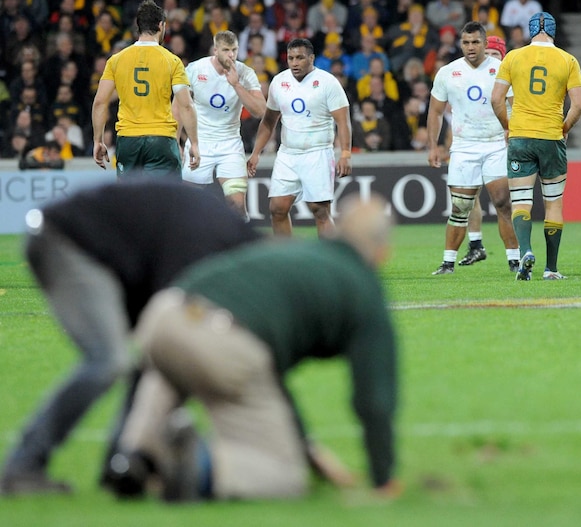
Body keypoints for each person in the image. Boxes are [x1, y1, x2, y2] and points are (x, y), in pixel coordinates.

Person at [108, 194, 400, 502]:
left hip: (165, 312)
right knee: (284, 473)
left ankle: (133, 458)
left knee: (172, 366)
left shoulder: (295, 250)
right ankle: (201, 466)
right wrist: (382, 479)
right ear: (382, 253)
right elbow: (375, 400)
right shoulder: (364, 290)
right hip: (223, 337)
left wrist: (304, 443)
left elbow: (272, 378)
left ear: (334, 232)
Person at [0, 180, 261, 496]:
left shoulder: (216, 232)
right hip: (66, 242)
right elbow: (167, 318)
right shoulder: (207, 239)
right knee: (108, 360)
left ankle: (120, 461)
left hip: (80, 245)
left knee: (140, 361)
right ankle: (22, 466)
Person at [491, 12, 581, 280]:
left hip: (520, 136)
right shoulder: (568, 60)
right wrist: (564, 128)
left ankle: (525, 253)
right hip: (551, 137)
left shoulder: (513, 57)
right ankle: (551, 269)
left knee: (521, 203)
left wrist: (508, 126)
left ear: (529, 31)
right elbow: (579, 105)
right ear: (554, 31)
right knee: (553, 203)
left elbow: (497, 99)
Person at [427, 23, 520, 276]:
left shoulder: (501, 70)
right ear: (461, 44)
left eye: (475, 42)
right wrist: (433, 145)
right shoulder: (448, 72)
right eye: (466, 43)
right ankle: (448, 263)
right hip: (464, 146)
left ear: (485, 43)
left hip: (495, 144)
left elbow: (515, 104)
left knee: (503, 203)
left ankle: (515, 260)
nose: (470, 47)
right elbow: (435, 111)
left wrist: (513, 130)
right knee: (459, 207)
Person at [247, 38, 352, 237]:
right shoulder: (279, 82)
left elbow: (343, 121)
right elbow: (269, 121)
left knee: (320, 210)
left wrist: (345, 153)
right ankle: (286, 263)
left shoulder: (327, 82)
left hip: (318, 152)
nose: (294, 63)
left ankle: (328, 264)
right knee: (277, 208)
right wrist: (255, 153)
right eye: (291, 58)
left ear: (311, 58)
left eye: (300, 58)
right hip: (287, 154)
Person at [92, 0, 200, 177]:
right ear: (161, 25)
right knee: (165, 201)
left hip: (128, 140)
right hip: (162, 140)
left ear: (138, 26)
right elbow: (186, 105)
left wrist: (98, 140)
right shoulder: (172, 61)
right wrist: (194, 143)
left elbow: (99, 103)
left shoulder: (116, 60)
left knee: (132, 202)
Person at [176, 30, 266, 219]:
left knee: (237, 205)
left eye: (234, 50)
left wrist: (236, 85)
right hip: (199, 143)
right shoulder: (195, 69)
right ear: (215, 50)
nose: (231, 55)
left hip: (230, 145)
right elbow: (179, 106)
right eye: (226, 50)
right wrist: (175, 141)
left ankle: (240, 246)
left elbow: (260, 111)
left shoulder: (245, 73)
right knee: (187, 204)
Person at [458, 35, 507, 266]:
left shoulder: (509, 76)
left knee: (503, 200)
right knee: (470, 195)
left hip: (502, 142)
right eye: (489, 54)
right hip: (474, 142)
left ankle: (516, 251)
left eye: (495, 54)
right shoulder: (473, 77)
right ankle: (476, 244)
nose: (490, 59)